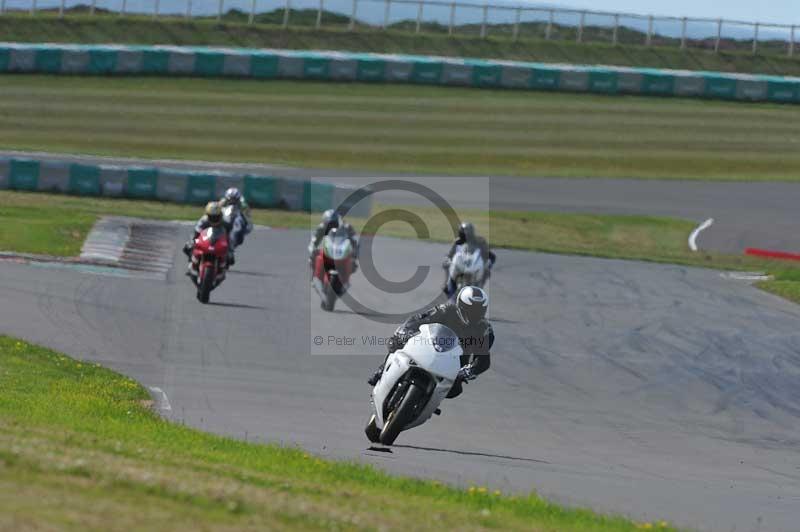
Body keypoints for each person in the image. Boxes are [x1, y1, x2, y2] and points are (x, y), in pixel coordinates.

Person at [367, 286, 494, 400]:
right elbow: (418, 319)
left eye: (479, 310)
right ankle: (382, 369)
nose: (475, 314)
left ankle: (425, 403)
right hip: (430, 347)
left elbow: (483, 359)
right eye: (471, 310)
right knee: (397, 342)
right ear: (461, 306)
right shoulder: (446, 310)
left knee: (455, 390)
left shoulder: (484, 330)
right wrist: (405, 332)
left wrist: (468, 371)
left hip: (455, 363)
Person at [442, 222, 496, 297]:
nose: (466, 235)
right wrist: (447, 259)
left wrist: (489, 263)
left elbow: (490, 255)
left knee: (486, 271)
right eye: (464, 233)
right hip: (460, 262)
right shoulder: (457, 242)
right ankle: (448, 284)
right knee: (447, 266)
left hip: (475, 263)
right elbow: (450, 254)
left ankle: (480, 288)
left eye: (468, 233)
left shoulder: (480, 241)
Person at [183, 201, 226, 274]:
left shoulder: (224, 222)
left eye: (216, 217)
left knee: (229, 254)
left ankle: (222, 267)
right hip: (204, 239)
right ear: (207, 215)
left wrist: (229, 249)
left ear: (220, 215)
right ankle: (192, 263)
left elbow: (228, 234)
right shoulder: (203, 220)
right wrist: (193, 241)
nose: (214, 219)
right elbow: (197, 231)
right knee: (187, 247)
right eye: (211, 216)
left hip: (218, 241)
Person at [219, 187, 252, 252]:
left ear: (238, 198)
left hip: (237, 218)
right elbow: (217, 208)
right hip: (226, 217)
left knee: (239, 223)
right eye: (230, 199)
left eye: (234, 199)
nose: (232, 201)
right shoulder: (223, 201)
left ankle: (232, 243)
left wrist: (247, 224)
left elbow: (247, 215)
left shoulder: (243, 203)